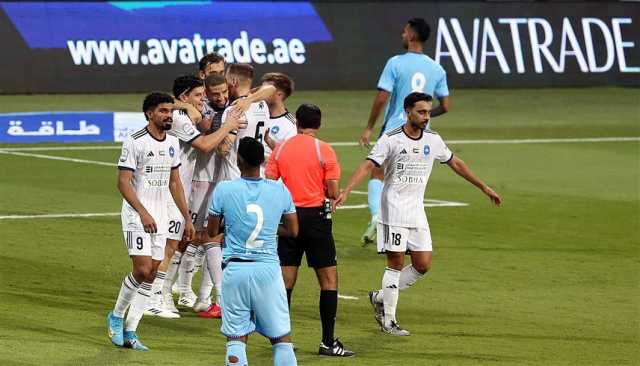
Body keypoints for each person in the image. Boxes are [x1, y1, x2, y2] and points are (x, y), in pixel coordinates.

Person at [336, 92, 501, 336]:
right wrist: (347, 189)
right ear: (407, 112)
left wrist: (483, 186)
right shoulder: (391, 139)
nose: (426, 117)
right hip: (393, 210)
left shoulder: (433, 139)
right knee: (395, 263)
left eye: (428, 112)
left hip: (416, 211)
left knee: (423, 264)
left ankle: (380, 297)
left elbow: (455, 162)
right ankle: (389, 321)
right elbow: (369, 165)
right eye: (421, 112)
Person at [107, 92, 195, 350]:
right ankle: (116, 315)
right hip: (137, 214)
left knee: (153, 274)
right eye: (163, 111)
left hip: (163, 215)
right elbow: (123, 183)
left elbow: (175, 182)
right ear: (149, 113)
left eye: (170, 111)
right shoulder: (135, 142)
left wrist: (186, 217)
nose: (169, 116)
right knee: (143, 269)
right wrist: (143, 213)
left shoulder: (172, 143)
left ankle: (131, 331)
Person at [265, 104, 354, 357]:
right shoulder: (323, 149)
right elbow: (333, 191)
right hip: (316, 220)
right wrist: (330, 194)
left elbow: (270, 183)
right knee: (328, 281)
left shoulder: (281, 149)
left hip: (287, 219)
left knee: (285, 282)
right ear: (319, 124)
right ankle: (327, 342)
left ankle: (282, 340)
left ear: (296, 123)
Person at [207, 137, 299, 366]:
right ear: (262, 160)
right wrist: (268, 227)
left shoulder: (224, 189)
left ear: (238, 160)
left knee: (236, 337)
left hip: (235, 269)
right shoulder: (279, 190)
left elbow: (211, 231)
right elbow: (293, 230)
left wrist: (233, 225)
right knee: (281, 338)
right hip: (267, 269)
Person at [359, 18, 451, 245]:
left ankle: (377, 218)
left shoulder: (396, 63)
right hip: (421, 135)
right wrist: (425, 118)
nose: (402, 34)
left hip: (394, 129)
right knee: (405, 182)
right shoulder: (437, 68)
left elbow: (383, 97)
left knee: (378, 174)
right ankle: (403, 232)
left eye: (404, 31)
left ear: (411, 34)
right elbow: (446, 106)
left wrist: (370, 127)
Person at [261, 72, 297, 162]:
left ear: (279, 94)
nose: (260, 93)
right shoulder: (257, 113)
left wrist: (257, 158)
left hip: (270, 175)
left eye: (265, 90)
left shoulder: (291, 124)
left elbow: (289, 158)